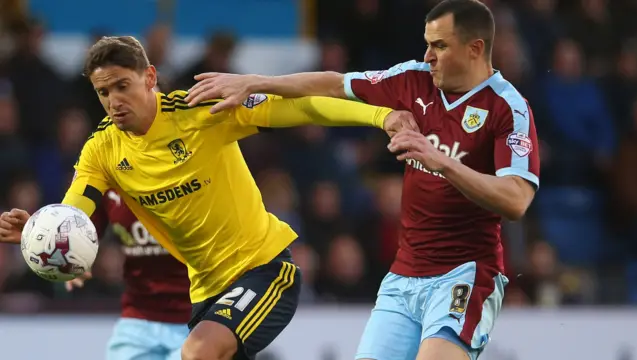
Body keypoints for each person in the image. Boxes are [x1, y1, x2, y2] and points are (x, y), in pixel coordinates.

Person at [0, 36, 416, 360]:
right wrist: (43, 232)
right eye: (103, 92)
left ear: (149, 77)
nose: (113, 102)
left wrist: (380, 116)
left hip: (264, 269)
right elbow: (77, 212)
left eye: (122, 86)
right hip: (204, 293)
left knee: (198, 351)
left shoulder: (201, 111)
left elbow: (305, 108)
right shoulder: (102, 150)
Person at [185, 1, 540, 359]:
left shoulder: (507, 108)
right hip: (404, 275)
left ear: (475, 48)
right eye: (428, 43)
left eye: (440, 46)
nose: (428, 55)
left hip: (465, 275)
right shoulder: (413, 78)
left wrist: (440, 161)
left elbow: (515, 199)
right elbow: (335, 84)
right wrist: (256, 81)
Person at [65, 188, 191, 360]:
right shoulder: (104, 175)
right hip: (138, 317)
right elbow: (84, 231)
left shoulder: (195, 173)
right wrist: (77, 260)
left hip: (196, 318)